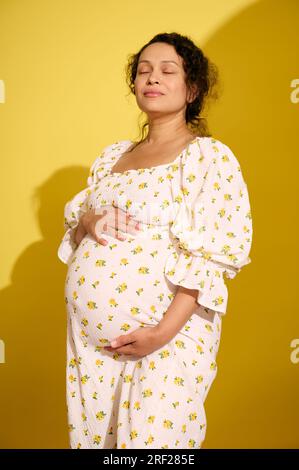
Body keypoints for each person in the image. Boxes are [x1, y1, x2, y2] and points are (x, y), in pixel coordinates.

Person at [57, 32, 253, 449]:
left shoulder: (208, 158)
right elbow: (76, 233)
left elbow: (212, 258)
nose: (153, 78)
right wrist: (88, 221)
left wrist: (162, 332)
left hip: (166, 338)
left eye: (168, 71)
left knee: (157, 450)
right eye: (143, 70)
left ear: (192, 89)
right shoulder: (113, 157)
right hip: (93, 349)